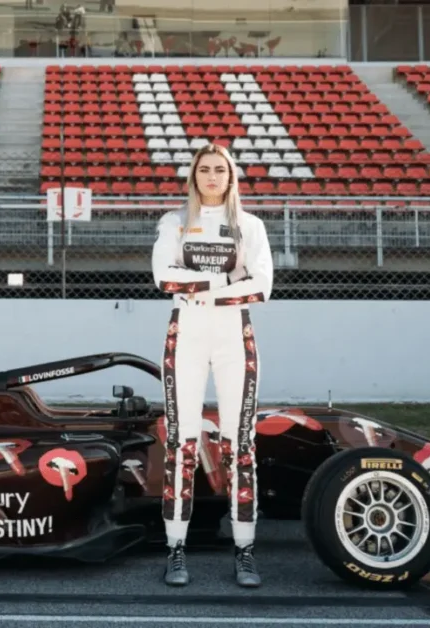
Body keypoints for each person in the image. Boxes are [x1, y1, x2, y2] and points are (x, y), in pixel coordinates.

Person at [150, 142, 273, 588]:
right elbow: (163, 277)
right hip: (186, 334)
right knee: (180, 442)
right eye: (204, 169)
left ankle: (244, 550)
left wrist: (200, 288)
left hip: (233, 337)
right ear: (193, 176)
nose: (212, 177)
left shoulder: (251, 226)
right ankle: (175, 548)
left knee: (240, 442)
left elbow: (262, 287)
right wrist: (224, 280)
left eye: (220, 169)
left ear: (231, 176)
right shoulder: (175, 222)